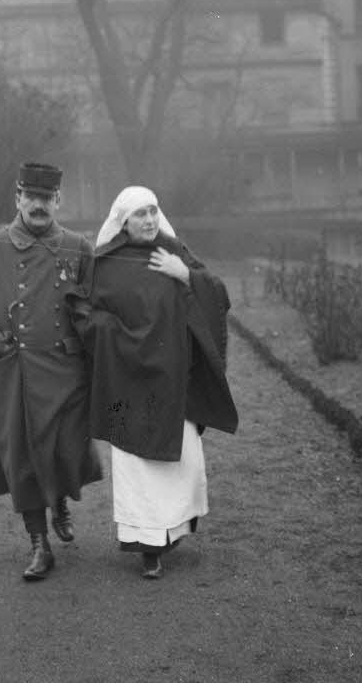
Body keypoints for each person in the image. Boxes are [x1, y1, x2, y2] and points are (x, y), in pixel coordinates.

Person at [67, 186, 238, 579]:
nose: (147, 220)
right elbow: (82, 310)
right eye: (139, 214)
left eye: (153, 211)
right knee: (138, 466)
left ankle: (171, 533)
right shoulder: (104, 263)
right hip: (126, 380)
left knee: (178, 465)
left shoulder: (175, 253)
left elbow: (219, 295)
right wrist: (114, 336)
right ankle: (147, 548)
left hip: (174, 378)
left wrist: (187, 278)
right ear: (122, 220)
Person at [0, 162, 103, 581]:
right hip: (14, 371)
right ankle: (39, 544)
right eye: (30, 197)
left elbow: (95, 305)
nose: (38, 206)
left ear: (58, 201)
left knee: (65, 447)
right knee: (22, 458)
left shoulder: (77, 248)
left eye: (46, 198)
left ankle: (59, 502)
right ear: (17, 198)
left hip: (66, 369)